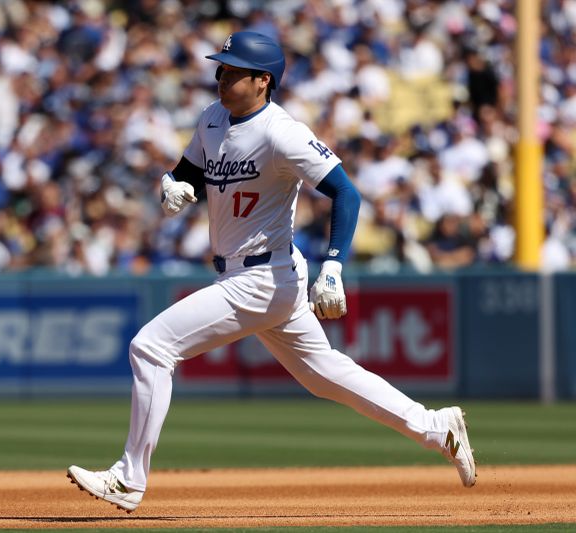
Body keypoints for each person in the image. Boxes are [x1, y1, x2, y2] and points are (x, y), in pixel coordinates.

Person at [67, 31, 476, 513]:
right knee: (325, 375)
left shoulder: (282, 132)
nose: (222, 77)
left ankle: (129, 478)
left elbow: (346, 192)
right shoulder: (212, 116)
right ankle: (436, 426)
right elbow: (189, 170)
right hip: (247, 276)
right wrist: (173, 184)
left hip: (263, 277)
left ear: (263, 81)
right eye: (220, 68)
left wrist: (334, 267)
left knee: (151, 347)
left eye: (234, 70)